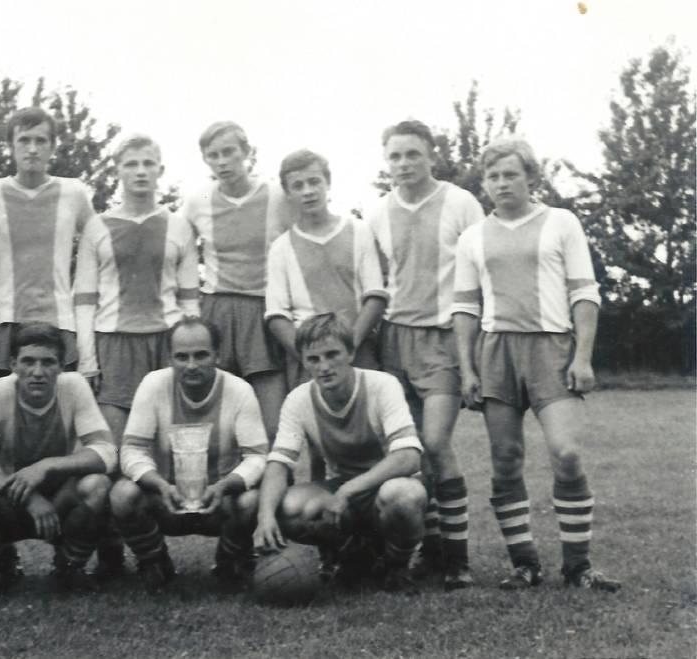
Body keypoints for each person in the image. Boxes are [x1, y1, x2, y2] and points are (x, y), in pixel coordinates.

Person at [452, 136, 620, 592]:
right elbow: (465, 307)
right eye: (492, 176)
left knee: (566, 452)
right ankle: (524, 564)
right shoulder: (472, 237)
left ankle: (578, 566)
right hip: (497, 351)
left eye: (511, 174)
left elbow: (584, 292)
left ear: (530, 177)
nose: (501, 183)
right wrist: (467, 370)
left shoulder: (561, 222)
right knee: (505, 458)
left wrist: (582, 357)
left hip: (551, 347)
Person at [365, 120, 485, 590]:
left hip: (443, 337)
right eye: (395, 156)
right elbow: (374, 281)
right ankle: (429, 550)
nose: (403, 164)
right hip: (395, 339)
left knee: (435, 443)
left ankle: (457, 558)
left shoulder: (460, 203)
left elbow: (482, 273)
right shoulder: (378, 212)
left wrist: (474, 348)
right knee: (408, 451)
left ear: (432, 156)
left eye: (412, 154)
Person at [253, 313, 426, 593]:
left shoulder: (382, 385)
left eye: (332, 355)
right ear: (303, 361)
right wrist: (265, 516)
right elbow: (278, 463)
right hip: (343, 489)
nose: (324, 367)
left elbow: (408, 457)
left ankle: (396, 565)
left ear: (351, 353)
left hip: (386, 485)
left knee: (402, 496)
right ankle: (354, 552)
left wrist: (348, 490)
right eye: (313, 359)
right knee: (290, 507)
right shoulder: (298, 399)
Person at [0, 323, 117, 594]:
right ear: (13, 364)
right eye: (28, 361)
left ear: (61, 366)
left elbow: (106, 452)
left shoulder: (74, 386)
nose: (38, 372)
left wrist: (47, 466)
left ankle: (70, 565)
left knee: (97, 485)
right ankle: (1, 567)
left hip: (60, 499)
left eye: (48, 362)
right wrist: (28, 497)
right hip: (9, 501)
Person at [111, 317, 268, 590]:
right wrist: (160, 485)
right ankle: (154, 561)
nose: (191, 365)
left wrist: (223, 486)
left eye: (201, 355)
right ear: (170, 358)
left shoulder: (239, 390)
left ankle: (229, 561)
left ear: (218, 355)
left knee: (252, 500)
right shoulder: (153, 385)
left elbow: (257, 457)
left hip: (219, 500)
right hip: (166, 498)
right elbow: (132, 450)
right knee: (123, 494)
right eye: (182, 357)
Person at [74, 133, 200, 441]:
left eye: (148, 163)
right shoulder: (96, 227)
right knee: (116, 444)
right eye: (131, 164)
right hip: (114, 343)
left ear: (160, 170)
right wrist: (88, 361)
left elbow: (190, 301)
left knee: (170, 440)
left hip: (167, 341)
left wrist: (190, 350)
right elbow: (84, 301)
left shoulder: (179, 226)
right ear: (118, 170)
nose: (140, 171)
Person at [181, 121, 293, 445]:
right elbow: (182, 256)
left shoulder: (277, 196)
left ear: (247, 152)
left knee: (272, 423)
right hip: (217, 307)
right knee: (219, 416)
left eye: (229, 152)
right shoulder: (198, 201)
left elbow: (298, 249)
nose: (222, 162)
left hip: (265, 310)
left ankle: (272, 475)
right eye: (213, 156)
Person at [0, 107, 95, 379]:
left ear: (53, 147)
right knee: (5, 399)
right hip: (6, 320)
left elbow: (97, 248)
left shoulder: (74, 192)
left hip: (60, 319)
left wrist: (80, 300)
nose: (33, 149)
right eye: (24, 140)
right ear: (11, 146)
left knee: (62, 398)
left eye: (41, 141)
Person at [265, 150, 388, 391]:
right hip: (309, 362)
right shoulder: (281, 247)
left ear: (327, 182)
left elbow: (375, 296)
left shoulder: (359, 231)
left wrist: (349, 347)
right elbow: (277, 316)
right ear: (288, 193)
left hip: (358, 351)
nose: (308, 191)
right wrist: (310, 357)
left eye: (314, 182)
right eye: (298, 186)